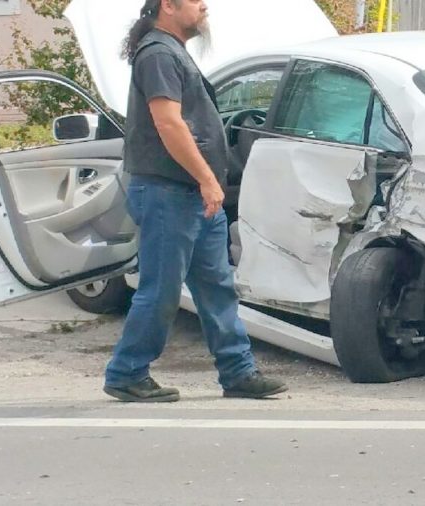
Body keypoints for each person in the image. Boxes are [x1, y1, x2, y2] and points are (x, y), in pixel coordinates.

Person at [103, 0, 286, 402]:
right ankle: (126, 372)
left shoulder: (171, 52)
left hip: (191, 195)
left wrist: (206, 184)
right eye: (196, 0)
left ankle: (237, 373)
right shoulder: (157, 54)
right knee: (161, 289)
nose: (205, 6)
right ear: (168, 5)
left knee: (217, 287)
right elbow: (168, 123)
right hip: (169, 193)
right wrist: (207, 179)